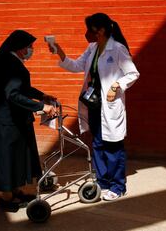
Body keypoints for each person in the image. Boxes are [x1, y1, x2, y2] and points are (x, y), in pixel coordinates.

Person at [49, 13, 139, 201]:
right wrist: (59, 51)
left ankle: (118, 186)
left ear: (101, 30)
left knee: (113, 146)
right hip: (94, 105)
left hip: (110, 105)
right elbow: (76, 66)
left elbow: (132, 73)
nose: (87, 33)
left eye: (90, 29)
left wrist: (117, 86)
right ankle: (103, 181)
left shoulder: (118, 49)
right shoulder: (93, 48)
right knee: (97, 143)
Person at [0, 30, 57, 212]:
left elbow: (23, 88)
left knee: (14, 156)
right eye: (29, 47)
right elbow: (12, 94)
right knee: (7, 158)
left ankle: (15, 192)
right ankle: (7, 199)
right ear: (20, 48)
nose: (31, 50)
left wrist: (41, 95)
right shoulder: (9, 63)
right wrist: (41, 107)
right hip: (5, 121)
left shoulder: (9, 60)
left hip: (9, 119)